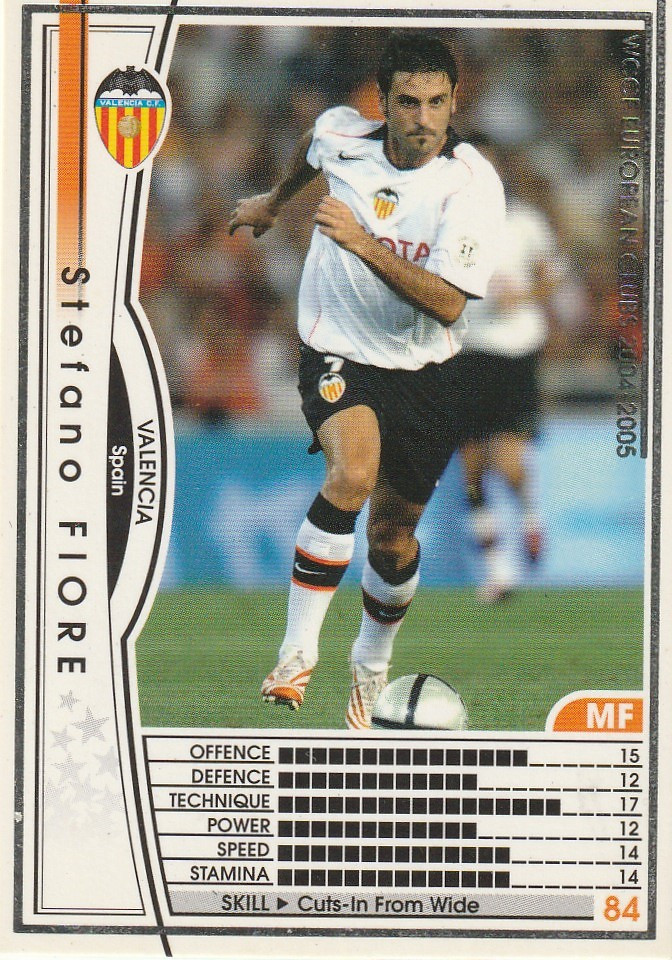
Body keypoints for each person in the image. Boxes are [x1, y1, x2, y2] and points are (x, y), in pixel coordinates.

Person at [229, 29, 505, 728]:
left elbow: (448, 302)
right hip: (338, 349)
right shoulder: (342, 135)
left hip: (427, 371)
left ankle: (370, 665)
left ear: (454, 102)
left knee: (392, 538)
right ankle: (296, 653)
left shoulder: (471, 186)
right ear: (382, 102)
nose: (423, 118)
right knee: (352, 472)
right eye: (408, 102)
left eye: (437, 102)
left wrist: (364, 243)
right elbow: (312, 148)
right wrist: (273, 200)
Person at [454, 187, 559, 602]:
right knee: (471, 464)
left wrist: (524, 296)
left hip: (515, 350)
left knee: (507, 462)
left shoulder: (525, 221)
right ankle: (497, 570)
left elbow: (552, 277)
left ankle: (531, 514)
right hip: (466, 350)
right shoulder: (450, 223)